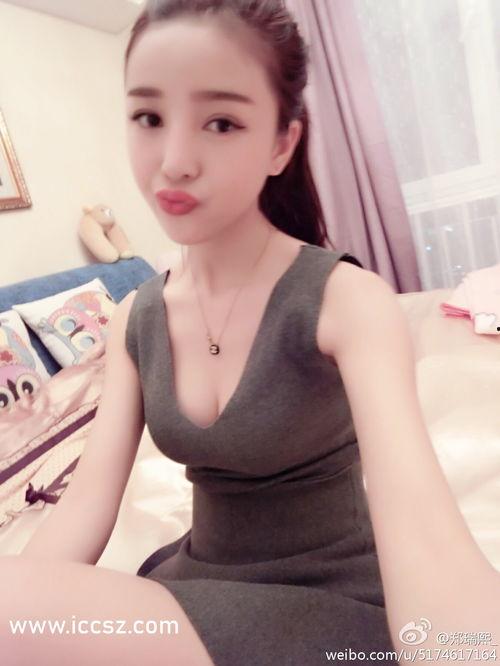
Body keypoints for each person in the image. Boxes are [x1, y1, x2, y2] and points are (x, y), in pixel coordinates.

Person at [2, 1, 499, 665]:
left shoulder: (347, 301)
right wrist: (27, 613)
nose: (175, 161)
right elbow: (84, 505)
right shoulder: (134, 319)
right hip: (195, 588)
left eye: (221, 122)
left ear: (281, 143)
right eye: (149, 117)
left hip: (331, 603)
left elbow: (423, 527)